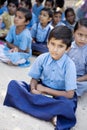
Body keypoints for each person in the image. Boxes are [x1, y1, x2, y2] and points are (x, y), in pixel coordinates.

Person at [4, 26, 77, 130]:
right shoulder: (42, 58)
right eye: (52, 44)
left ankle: (38, 109)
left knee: (67, 106)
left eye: (60, 46)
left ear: (67, 48)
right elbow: (34, 79)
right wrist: (33, 89)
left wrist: (45, 90)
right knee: (14, 85)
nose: (55, 49)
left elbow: (70, 94)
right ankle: (50, 114)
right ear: (48, 43)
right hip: (40, 91)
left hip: (59, 95)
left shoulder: (70, 65)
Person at [68, 18, 87, 97]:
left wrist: (76, 80)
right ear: (74, 33)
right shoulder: (68, 46)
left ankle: (70, 92)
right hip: (65, 75)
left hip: (79, 78)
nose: (83, 39)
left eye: (86, 36)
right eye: (80, 34)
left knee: (84, 85)